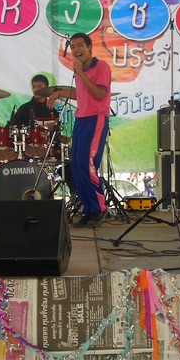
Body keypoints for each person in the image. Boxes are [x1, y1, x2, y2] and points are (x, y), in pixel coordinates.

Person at [47, 32, 111, 227]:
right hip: (81, 119)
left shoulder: (101, 66)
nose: (76, 50)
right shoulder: (79, 70)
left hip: (96, 118)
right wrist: (59, 92)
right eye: (73, 47)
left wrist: (81, 73)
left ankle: (99, 208)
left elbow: (99, 94)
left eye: (80, 45)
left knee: (87, 163)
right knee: (76, 165)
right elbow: (81, 93)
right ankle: (88, 209)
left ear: (89, 47)